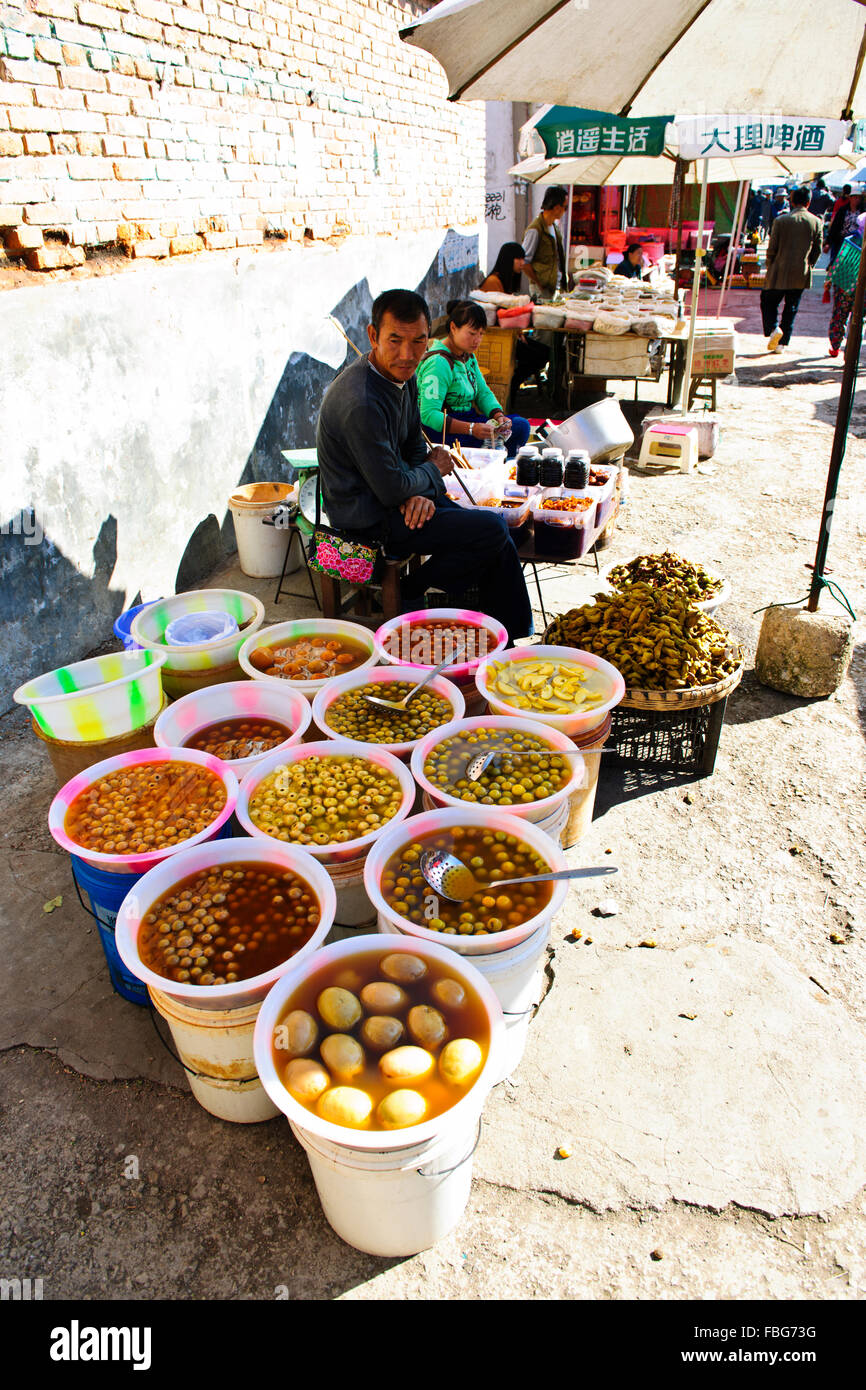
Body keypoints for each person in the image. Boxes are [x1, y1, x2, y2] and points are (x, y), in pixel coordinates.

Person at [316, 288, 532, 641]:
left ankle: (504, 631)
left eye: (418, 341)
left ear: (428, 338)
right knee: (490, 531)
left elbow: (415, 446)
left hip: (400, 493)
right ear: (373, 336)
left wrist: (422, 490)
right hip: (366, 516)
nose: (407, 354)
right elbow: (394, 487)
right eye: (395, 340)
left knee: (499, 530)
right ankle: (413, 588)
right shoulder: (362, 402)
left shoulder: (406, 376)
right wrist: (429, 475)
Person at [416, 299, 530, 459]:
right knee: (520, 426)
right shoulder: (438, 363)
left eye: (481, 334)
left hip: (469, 421)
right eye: (472, 333)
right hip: (443, 433)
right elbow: (428, 414)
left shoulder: (467, 357)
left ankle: (502, 462)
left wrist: (499, 416)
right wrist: (471, 429)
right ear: (453, 328)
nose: (477, 340)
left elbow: (483, 393)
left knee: (518, 425)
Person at [760, 185, 823, 353]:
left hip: (778, 270)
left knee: (768, 301)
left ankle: (774, 328)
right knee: (791, 307)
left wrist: (770, 265)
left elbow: (772, 248)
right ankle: (781, 344)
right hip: (800, 272)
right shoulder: (816, 222)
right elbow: (817, 250)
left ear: (792, 202)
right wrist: (809, 265)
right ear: (808, 203)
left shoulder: (781, 221)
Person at [479, 242, 549, 391]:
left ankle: (515, 384)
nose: (522, 263)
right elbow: (500, 316)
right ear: (509, 259)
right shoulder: (493, 282)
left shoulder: (505, 281)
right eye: (519, 259)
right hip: (497, 338)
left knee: (544, 351)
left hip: (510, 334)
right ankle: (513, 384)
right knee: (540, 356)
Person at [522, 185, 569, 298]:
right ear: (557, 208)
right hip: (542, 290)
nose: (565, 211)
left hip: (554, 287)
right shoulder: (535, 230)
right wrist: (539, 284)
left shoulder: (554, 227)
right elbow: (524, 262)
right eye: (565, 207)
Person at [827, 215, 863, 357]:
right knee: (858, 319)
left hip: (845, 282)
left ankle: (835, 345)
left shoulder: (851, 239)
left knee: (839, 315)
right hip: (861, 288)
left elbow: (840, 259)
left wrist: (830, 278)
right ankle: (851, 350)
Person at [826, 191, 862, 266]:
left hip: (855, 244)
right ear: (850, 198)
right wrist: (828, 243)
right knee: (837, 263)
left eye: (859, 198)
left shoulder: (862, 212)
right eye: (855, 197)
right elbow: (835, 227)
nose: (857, 200)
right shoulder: (843, 210)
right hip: (841, 242)